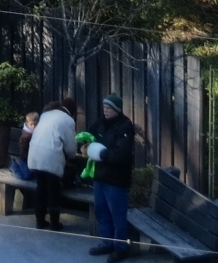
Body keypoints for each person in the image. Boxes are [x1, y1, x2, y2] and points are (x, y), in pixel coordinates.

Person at [85, 93, 138, 256]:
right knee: (101, 211)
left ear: (117, 109)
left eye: (109, 108)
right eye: (104, 107)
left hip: (116, 179)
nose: (105, 110)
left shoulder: (125, 127)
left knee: (117, 215)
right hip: (100, 177)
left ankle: (120, 248)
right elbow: (89, 137)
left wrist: (103, 154)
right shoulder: (100, 123)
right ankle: (106, 243)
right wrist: (86, 146)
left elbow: (122, 154)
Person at [26, 95, 79, 231]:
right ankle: (55, 223)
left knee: (40, 187)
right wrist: (71, 156)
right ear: (72, 111)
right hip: (51, 158)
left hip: (34, 155)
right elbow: (71, 148)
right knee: (53, 190)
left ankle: (40, 221)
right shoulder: (68, 120)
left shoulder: (46, 115)